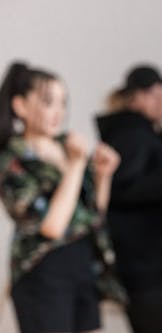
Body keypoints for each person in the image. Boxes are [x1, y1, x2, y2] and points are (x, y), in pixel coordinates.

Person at [0, 62, 123, 333]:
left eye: (63, 103)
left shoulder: (66, 145)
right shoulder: (13, 159)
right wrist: (77, 165)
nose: (59, 112)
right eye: (48, 102)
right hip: (42, 272)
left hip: (81, 265)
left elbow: (92, 214)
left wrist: (104, 176)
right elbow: (52, 227)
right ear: (20, 106)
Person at [96, 64, 162, 333]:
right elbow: (123, 190)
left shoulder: (144, 134)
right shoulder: (133, 135)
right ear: (137, 97)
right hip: (139, 265)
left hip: (149, 263)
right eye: (157, 93)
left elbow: (156, 195)